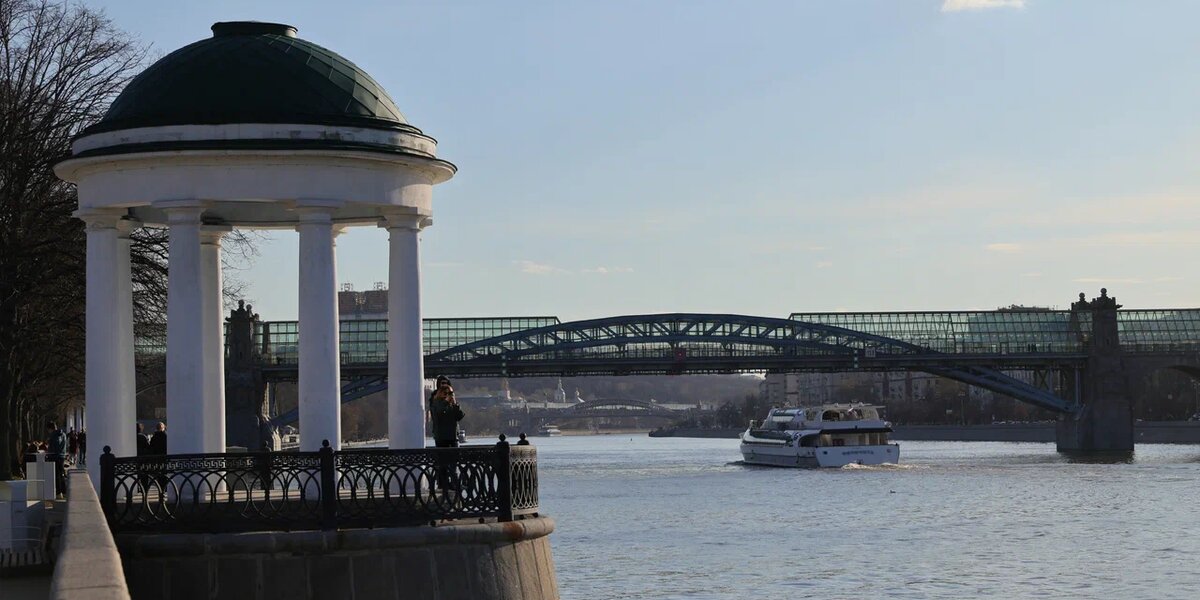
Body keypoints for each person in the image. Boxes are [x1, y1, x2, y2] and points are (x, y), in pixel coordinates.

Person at [428, 381, 464, 492]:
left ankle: (454, 482)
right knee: (443, 463)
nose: (448, 395)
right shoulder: (436, 403)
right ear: (440, 393)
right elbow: (438, 414)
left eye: (450, 393)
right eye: (446, 393)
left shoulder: (452, 404)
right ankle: (443, 483)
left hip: (453, 436)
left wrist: (456, 405)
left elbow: (460, 416)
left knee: (453, 462)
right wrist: (446, 403)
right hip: (441, 437)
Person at [46, 421, 67, 497]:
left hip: (54, 456)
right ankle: (64, 491)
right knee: (61, 474)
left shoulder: (54, 435)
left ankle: (58, 492)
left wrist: (49, 452)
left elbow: (54, 446)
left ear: (50, 429)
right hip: (62, 456)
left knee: (56, 475)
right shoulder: (63, 434)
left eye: (48, 430)